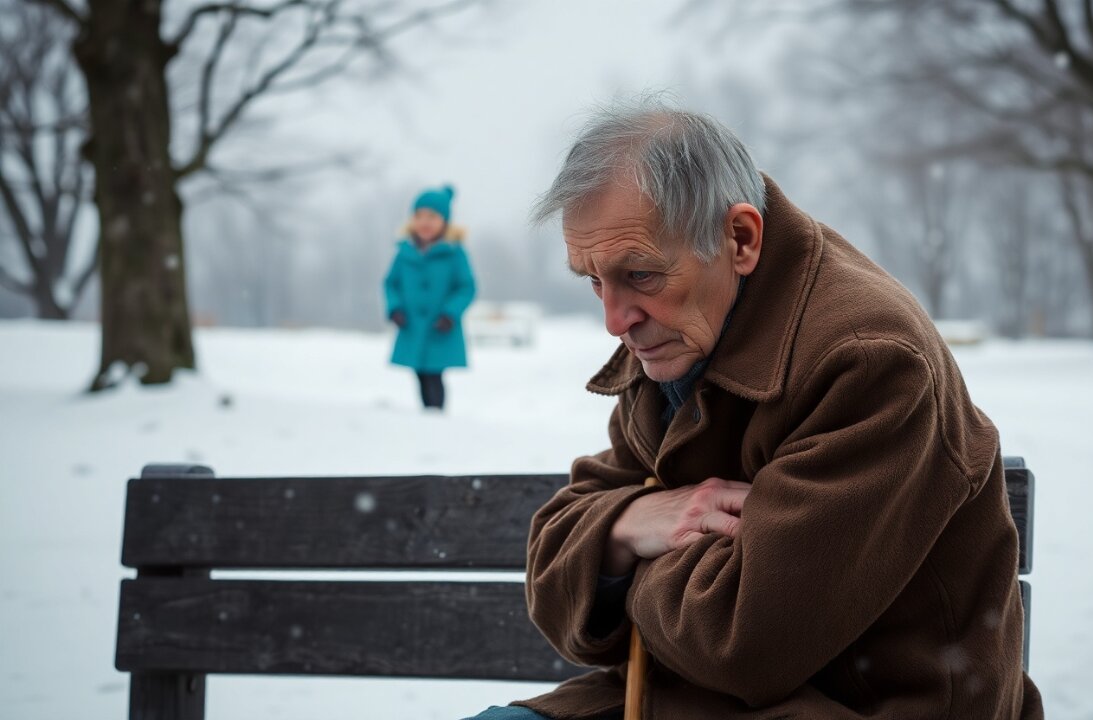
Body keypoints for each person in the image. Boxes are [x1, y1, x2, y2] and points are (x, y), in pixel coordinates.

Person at [467, 98, 1043, 719]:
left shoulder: (870, 363)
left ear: (739, 239)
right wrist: (631, 522)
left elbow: (739, 644)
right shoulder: (681, 328)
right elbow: (555, 573)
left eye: (640, 275)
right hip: (676, 699)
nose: (614, 320)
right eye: (593, 280)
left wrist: (618, 557)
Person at [383, 184, 476, 410]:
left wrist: (450, 313)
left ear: (444, 221)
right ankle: (427, 414)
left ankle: (435, 414)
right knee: (419, 372)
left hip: (440, 325)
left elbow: (467, 287)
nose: (425, 222)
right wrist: (395, 308)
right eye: (419, 216)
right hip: (413, 324)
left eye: (432, 217)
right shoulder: (405, 252)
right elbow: (390, 283)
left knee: (435, 373)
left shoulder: (454, 252)